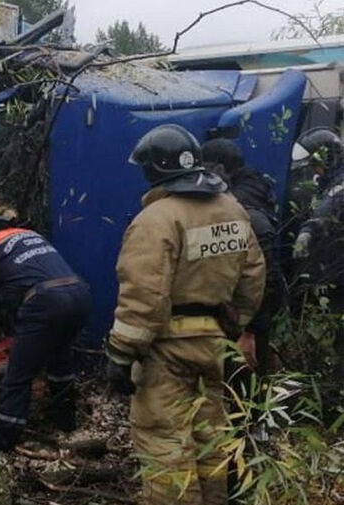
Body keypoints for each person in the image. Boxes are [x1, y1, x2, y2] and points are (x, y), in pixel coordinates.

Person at [105, 124, 266, 505]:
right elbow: (254, 277)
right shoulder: (233, 209)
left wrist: (121, 352)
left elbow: (144, 293)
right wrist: (234, 325)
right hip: (213, 347)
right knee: (210, 437)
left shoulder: (157, 219)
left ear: (155, 170)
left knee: (164, 441)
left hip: (166, 348)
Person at [0, 209, 91, 454]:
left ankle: (0, 444)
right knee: (59, 360)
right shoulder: (28, 235)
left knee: (17, 377)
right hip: (79, 294)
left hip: (44, 302)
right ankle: (67, 423)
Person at [202, 138, 286, 375]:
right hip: (246, 319)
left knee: (246, 391)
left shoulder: (242, 208)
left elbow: (264, 277)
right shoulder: (255, 191)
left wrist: (250, 331)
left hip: (247, 324)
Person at [289, 127, 344, 378]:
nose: (313, 172)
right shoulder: (330, 183)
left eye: (314, 165)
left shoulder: (339, 185)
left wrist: (307, 233)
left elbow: (325, 211)